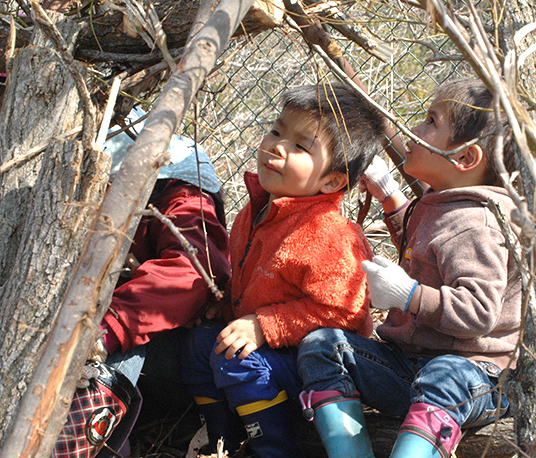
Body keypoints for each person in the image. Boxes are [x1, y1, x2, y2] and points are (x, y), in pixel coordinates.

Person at [296, 78, 522, 458]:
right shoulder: (441, 202)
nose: (414, 130)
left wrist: (410, 296)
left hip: (477, 378)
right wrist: (390, 197)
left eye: (431, 122)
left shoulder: (478, 223)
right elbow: (427, 253)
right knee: (322, 346)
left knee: (443, 374)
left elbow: (479, 313)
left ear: (464, 159)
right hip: (411, 368)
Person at [180, 82, 386, 457]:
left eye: (300, 146)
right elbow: (252, 280)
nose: (277, 146)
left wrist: (264, 326)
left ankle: (275, 447)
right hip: (268, 356)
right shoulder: (257, 210)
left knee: (235, 359)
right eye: (276, 131)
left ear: (332, 181)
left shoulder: (329, 233)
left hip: (314, 371)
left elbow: (346, 313)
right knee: (199, 345)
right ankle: (220, 440)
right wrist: (225, 306)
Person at [53, 106, 232, 458]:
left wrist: (106, 330)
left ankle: (69, 447)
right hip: (120, 335)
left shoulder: (184, 198)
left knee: (121, 339)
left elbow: (190, 273)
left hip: (178, 356)